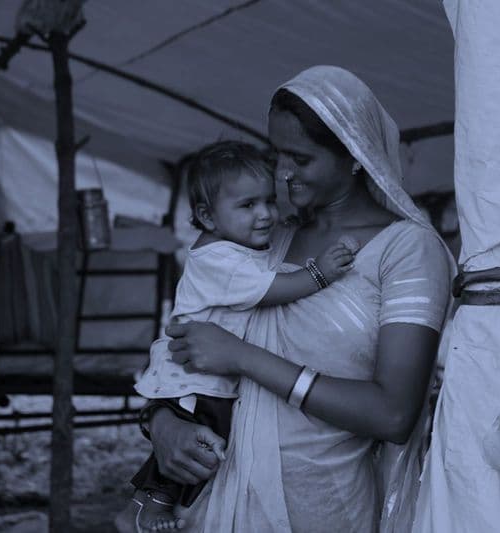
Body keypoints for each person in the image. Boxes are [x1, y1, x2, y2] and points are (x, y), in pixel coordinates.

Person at [124, 66, 456, 533]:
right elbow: (186, 341)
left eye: (300, 159)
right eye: (277, 154)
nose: (282, 174)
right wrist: (162, 423)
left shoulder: (405, 250)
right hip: (211, 505)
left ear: (356, 156)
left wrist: (243, 357)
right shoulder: (263, 240)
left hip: (321, 509)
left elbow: (394, 414)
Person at [130, 140, 356, 531]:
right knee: (201, 443)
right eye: (248, 206)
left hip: (204, 373)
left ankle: (162, 502)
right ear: (207, 215)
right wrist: (320, 274)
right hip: (195, 379)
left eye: (270, 201)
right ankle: (152, 504)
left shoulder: (233, 245)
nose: (266, 214)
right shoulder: (219, 260)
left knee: (205, 443)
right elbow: (275, 289)